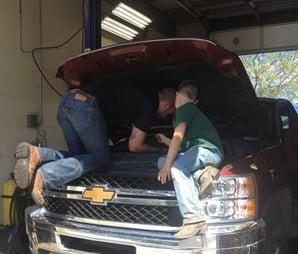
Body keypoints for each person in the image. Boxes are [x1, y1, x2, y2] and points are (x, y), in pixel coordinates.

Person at [14, 84, 176, 206]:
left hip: (67, 101)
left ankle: (38, 154)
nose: (164, 116)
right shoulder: (148, 105)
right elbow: (135, 146)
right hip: (85, 107)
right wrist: (159, 149)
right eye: (168, 113)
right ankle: (46, 175)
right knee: (100, 158)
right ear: (166, 105)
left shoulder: (137, 93)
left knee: (81, 158)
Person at [156, 80, 224, 239]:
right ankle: (202, 174)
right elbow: (180, 146)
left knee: (176, 169)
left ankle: (193, 219)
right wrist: (165, 140)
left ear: (177, 95)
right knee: (162, 161)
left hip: (206, 150)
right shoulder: (191, 112)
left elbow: (177, 138)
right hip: (204, 153)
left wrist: (168, 166)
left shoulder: (184, 109)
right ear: (196, 100)